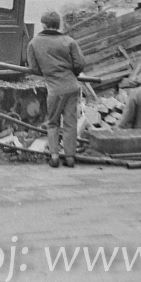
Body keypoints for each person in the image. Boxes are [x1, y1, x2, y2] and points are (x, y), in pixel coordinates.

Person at [27, 10, 87, 168]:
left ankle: (54, 156)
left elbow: (33, 68)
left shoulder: (34, 42)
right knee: (70, 122)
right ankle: (70, 157)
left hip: (54, 88)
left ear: (44, 25)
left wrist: (47, 72)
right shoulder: (69, 41)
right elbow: (80, 63)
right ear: (58, 24)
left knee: (52, 122)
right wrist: (71, 73)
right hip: (72, 85)